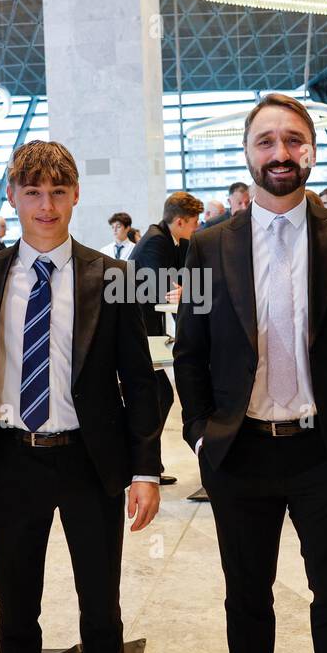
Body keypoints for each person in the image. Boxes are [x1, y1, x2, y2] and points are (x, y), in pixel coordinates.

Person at [173, 93, 327, 653]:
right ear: (247, 154)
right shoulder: (212, 245)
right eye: (266, 141)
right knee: (246, 596)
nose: (280, 153)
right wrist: (197, 433)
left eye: (293, 141)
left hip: (325, 451)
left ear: (312, 151)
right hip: (239, 453)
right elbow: (189, 349)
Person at [0, 140, 163, 653]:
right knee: (14, 608)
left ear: (76, 195)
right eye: (34, 192)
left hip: (89, 461)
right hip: (13, 460)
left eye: (58, 192)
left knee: (101, 604)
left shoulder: (113, 275)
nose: (46, 205)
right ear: (13, 196)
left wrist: (145, 469)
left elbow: (141, 383)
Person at [131, 191, 202, 485]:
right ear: (180, 221)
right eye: (194, 223)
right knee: (158, 395)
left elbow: (187, 280)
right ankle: (141, 463)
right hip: (138, 333)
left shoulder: (171, 239)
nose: (197, 229)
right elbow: (168, 290)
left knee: (159, 396)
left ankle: (148, 464)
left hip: (151, 331)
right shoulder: (155, 242)